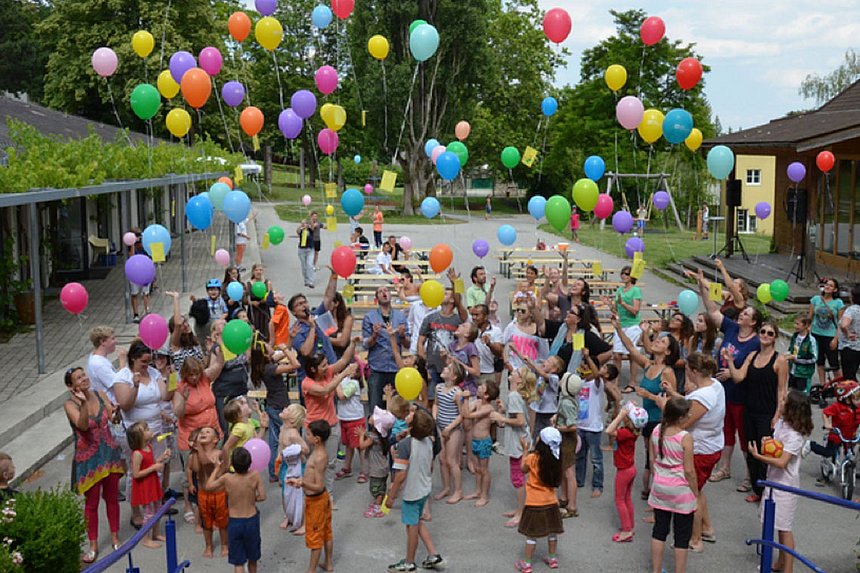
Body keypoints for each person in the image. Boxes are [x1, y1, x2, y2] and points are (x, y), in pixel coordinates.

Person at [694, 268, 761, 492]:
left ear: (752, 322)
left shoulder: (756, 343)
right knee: (726, 432)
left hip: (742, 395)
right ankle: (725, 467)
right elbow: (712, 310)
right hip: (723, 392)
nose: (740, 315)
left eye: (745, 315)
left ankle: (751, 476)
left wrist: (732, 372)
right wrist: (702, 286)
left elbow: (755, 369)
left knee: (744, 436)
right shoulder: (732, 329)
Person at [660, 352, 725, 553]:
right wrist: (675, 394)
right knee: (699, 488)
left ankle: (695, 539)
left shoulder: (702, 395)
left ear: (694, 371)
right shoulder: (714, 385)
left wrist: (665, 407)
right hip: (711, 444)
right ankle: (707, 528)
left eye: (687, 370)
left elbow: (685, 421)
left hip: (701, 449)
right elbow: (690, 403)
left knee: (691, 493)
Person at [611, 313, 679, 500]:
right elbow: (631, 348)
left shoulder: (667, 372)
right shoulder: (649, 365)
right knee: (649, 458)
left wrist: (648, 395)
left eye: (662, 342)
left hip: (660, 421)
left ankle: (658, 500)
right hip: (647, 421)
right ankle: (650, 493)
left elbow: (673, 403)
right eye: (658, 339)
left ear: (668, 352)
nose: (657, 341)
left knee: (655, 459)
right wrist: (618, 328)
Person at [748, 391, 813, 573]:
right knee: (776, 524)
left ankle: (788, 568)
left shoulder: (795, 436)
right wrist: (767, 444)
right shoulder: (782, 424)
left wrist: (758, 456)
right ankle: (779, 562)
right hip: (773, 481)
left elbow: (782, 462)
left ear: (792, 409)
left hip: (785, 486)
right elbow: (775, 449)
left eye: (785, 400)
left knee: (785, 528)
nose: (781, 401)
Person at [723, 319, 788, 503]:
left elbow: (782, 391)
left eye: (770, 333)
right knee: (751, 451)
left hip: (766, 413)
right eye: (763, 332)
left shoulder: (779, 360)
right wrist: (729, 361)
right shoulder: (752, 356)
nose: (765, 336)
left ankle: (768, 490)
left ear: (774, 338)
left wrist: (777, 416)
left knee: (765, 452)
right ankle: (757, 489)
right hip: (749, 410)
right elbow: (738, 377)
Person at [64, 367, 124, 563]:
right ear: (71, 386)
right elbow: (81, 425)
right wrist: (82, 404)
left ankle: (115, 537)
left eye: (84, 375)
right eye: (78, 378)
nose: (84, 379)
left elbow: (112, 419)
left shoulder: (99, 394)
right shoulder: (70, 404)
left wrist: (116, 414)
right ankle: (93, 544)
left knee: (112, 498)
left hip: (109, 453)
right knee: (91, 504)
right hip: (89, 460)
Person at [113, 340, 172, 527]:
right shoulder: (123, 376)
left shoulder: (153, 373)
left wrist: (171, 378)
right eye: (143, 362)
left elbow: (165, 396)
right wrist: (136, 386)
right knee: (136, 472)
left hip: (156, 428)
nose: (147, 365)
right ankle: (136, 511)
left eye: (149, 361)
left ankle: (154, 506)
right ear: (133, 359)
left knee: (157, 468)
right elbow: (125, 404)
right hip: (136, 432)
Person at [386, 407, 446, 572]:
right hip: (424, 488)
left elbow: (400, 476)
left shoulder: (405, 445)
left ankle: (409, 562)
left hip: (412, 493)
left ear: (412, 427)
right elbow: (430, 465)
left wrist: (391, 496)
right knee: (417, 522)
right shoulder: (429, 440)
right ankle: (433, 554)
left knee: (411, 526)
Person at [648, 398, 697, 573]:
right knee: (682, 536)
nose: (690, 416)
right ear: (680, 418)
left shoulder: (656, 431)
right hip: (680, 489)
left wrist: (658, 477)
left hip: (661, 485)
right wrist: (695, 492)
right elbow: (689, 470)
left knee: (659, 530)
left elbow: (652, 460)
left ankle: (656, 569)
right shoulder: (685, 437)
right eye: (687, 414)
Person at [302, 347, 358, 497]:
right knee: (311, 462)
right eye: (323, 365)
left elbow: (344, 360)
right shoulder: (307, 383)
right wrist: (344, 374)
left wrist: (352, 343)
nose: (327, 367)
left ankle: (328, 496)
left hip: (332, 425)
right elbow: (325, 391)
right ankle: (311, 493)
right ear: (313, 369)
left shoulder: (327, 372)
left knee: (331, 463)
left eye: (327, 364)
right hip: (314, 428)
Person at [207, 447, 266, 573]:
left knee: (238, 562)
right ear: (250, 462)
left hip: (235, 521)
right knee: (252, 558)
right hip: (251, 519)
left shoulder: (227, 478)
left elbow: (209, 486)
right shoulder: (255, 475)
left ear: (232, 464)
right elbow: (262, 496)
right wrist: (251, 498)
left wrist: (217, 468)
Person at [287, 420, 334, 573]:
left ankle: (311, 570)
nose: (305, 436)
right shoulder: (317, 452)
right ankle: (328, 563)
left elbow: (319, 485)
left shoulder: (319, 457)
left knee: (315, 537)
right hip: (320, 499)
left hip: (317, 501)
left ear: (317, 439)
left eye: (308, 434)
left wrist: (302, 484)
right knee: (326, 532)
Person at [515, 427, 564, 573]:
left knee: (531, 535)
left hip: (534, 503)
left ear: (541, 443)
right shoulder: (556, 458)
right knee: (552, 532)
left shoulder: (533, 458)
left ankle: (527, 563)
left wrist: (525, 450)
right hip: (551, 502)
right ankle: (552, 558)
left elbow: (522, 469)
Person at [493, 366, 535, 528]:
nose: (512, 372)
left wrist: (500, 417)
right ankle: (520, 507)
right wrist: (504, 410)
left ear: (519, 380)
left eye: (516, 372)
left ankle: (521, 512)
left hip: (519, 443)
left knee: (518, 479)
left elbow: (520, 421)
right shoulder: (515, 397)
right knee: (519, 477)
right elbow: (518, 415)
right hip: (520, 441)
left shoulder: (514, 396)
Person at [250, 344, 299, 482]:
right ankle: (282, 470)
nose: (272, 347)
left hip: (272, 405)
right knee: (283, 440)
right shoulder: (270, 368)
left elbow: (282, 353)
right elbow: (295, 365)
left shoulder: (264, 364)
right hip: (279, 406)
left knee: (274, 441)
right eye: (268, 347)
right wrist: (285, 349)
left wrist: (289, 342)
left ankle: (273, 472)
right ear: (265, 354)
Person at [418, 270, 469, 402]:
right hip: (433, 366)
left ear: (452, 300)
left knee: (451, 399)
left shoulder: (459, 320)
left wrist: (455, 283)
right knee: (431, 398)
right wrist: (424, 360)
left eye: (446, 293)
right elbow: (421, 341)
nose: (441, 295)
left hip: (451, 367)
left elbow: (461, 305)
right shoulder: (430, 318)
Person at [605, 403, 648, 543]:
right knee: (627, 498)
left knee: (619, 499)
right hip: (631, 469)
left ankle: (626, 530)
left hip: (623, 471)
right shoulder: (633, 432)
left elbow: (609, 431)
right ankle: (630, 526)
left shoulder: (625, 433)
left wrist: (620, 415)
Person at [363, 286, 410, 412]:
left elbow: (408, 344)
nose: (384, 293)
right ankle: (374, 430)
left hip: (395, 367)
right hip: (377, 367)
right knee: (375, 407)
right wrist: (375, 335)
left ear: (391, 295)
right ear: (376, 298)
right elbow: (366, 344)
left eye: (387, 291)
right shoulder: (369, 317)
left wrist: (402, 335)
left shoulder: (401, 317)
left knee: (398, 408)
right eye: (380, 291)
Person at [127, 421, 171, 549]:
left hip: (152, 484)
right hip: (145, 487)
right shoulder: (137, 454)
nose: (149, 429)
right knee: (148, 513)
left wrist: (161, 458)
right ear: (139, 437)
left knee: (158, 509)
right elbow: (136, 474)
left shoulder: (149, 447)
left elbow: (150, 463)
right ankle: (145, 538)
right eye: (146, 429)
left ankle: (155, 533)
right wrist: (154, 468)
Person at [806, 380, 859, 484]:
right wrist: (827, 424)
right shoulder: (837, 407)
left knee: (850, 454)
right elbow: (826, 413)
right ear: (847, 399)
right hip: (837, 434)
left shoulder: (858, 408)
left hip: (850, 436)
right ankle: (811, 445)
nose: (859, 401)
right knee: (829, 452)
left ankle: (848, 469)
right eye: (857, 399)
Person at [455, 381, 498, 507]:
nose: (478, 387)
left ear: (486, 395)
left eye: (482, 387)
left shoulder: (488, 408)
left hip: (484, 441)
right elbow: (465, 412)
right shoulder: (478, 403)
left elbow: (467, 415)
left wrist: (466, 399)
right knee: (477, 468)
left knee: (484, 470)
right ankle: (478, 491)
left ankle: (485, 495)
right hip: (474, 440)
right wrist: (463, 400)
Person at [190, 426, 229, 558]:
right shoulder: (196, 454)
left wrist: (199, 447)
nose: (203, 433)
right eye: (201, 432)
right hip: (203, 493)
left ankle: (224, 544)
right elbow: (196, 467)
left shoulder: (219, 453)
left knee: (222, 521)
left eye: (207, 432)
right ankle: (208, 545)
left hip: (219, 493)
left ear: (215, 439)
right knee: (206, 522)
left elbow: (206, 463)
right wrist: (195, 450)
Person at [607, 265, 643, 393]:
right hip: (620, 325)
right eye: (622, 273)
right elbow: (617, 310)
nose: (624, 276)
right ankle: (615, 382)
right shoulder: (619, 290)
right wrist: (611, 306)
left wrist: (623, 304)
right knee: (617, 355)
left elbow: (635, 310)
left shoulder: (636, 290)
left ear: (632, 276)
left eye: (627, 274)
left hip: (632, 325)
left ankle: (632, 383)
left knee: (632, 355)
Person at [436, 362, 468, 505]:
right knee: (442, 459)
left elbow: (462, 415)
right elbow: (436, 404)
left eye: (448, 368)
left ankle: (459, 490)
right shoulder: (438, 387)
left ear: (454, 376)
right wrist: (435, 416)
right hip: (440, 426)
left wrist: (450, 427)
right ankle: (446, 487)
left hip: (453, 430)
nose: (444, 368)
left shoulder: (457, 393)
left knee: (451, 460)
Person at [357, 407, 395, 518]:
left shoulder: (372, 437)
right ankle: (379, 502)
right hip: (383, 466)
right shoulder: (382, 436)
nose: (372, 417)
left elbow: (362, 446)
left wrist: (361, 436)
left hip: (376, 469)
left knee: (375, 489)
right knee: (381, 485)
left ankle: (378, 505)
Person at [555, 373, 582, 517]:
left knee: (569, 472)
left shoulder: (566, 403)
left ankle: (572, 506)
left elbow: (572, 425)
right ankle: (564, 498)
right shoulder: (567, 399)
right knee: (564, 469)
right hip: (565, 439)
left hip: (567, 439)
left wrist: (558, 428)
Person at [278, 404, 308, 533]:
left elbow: (305, 449)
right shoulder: (283, 428)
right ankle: (288, 515)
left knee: (297, 494)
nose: (284, 409)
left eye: (288, 409)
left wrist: (292, 451)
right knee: (285, 493)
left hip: (295, 467)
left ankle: (301, 520)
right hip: (285, 465)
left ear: (291, 419)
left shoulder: (293, 434)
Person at [808, 278, 844, 385]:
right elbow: (810, 316)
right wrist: (807, 330)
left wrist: (836, 339)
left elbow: (840, 323)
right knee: (819, 361)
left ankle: (842, 385)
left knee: (834, 363)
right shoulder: (815, 299)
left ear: (835, 289)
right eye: (827, 284)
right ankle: (823, 385)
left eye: (831, 286)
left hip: (830, 336)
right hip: (816, 334)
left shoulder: (838, 303)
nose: (827, 287)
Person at [334, 373, 365, 481]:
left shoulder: (354, 383)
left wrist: (335, 381)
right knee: (348, 445)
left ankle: (364, 471)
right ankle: (347, 468)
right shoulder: (344, 379)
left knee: (360, 446)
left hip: (355, 419)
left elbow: (342, 395)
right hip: (344, 418)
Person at [166, 290, 205, 373]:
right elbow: (178, 324)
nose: (186, 325)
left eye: (186, 322)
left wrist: (210, 352)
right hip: (184, 384)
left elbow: (203, 365)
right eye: (183, 324)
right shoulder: (175, 345)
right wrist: (176, 298)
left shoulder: (194, 340)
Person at [86, 326, 128, 402]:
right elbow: (119, 385)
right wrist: (122, 362)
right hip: (112, 405)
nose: (115, 341)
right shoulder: (99, 364)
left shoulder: (95, 357)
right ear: (102, 342)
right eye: (112, 339)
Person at [787, 316, 817, 393]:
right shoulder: (795, 336)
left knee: (801, 397)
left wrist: (797, 359)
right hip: (792, 372)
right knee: (790, 394)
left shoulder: (811, 340)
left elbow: (813, 358)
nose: (795, 326)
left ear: (805, 325)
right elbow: (791, 349)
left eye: (797, 324)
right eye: (794, 323)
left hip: (803, 374)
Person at [127, 228, 151, 323]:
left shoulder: (145, 245)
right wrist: (132, 244)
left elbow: (150, 256)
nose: (138, 238)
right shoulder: (130, 246)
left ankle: (147, 311)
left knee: (146, 293)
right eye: (136, 235)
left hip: (145, 271)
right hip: (134, 272)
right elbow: (131, 257)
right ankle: (136, 314)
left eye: (139, 235)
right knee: (134, 293)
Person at [838, 284, 860, 381]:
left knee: (849, 376)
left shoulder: (852, 309)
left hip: (849, 346)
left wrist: (847, 333)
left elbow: (844, 324)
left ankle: (853, 395)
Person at [297, 219, 316, 288]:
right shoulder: (301, 230)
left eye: (305, 224)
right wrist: (301, 226)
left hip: (310, 250)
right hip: (301, 250)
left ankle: (311, 281)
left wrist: (310, 222)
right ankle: (306, 280)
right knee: (304, 266)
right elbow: (297, 231)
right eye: (303, 224)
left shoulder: (310, 230)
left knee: (310, 265)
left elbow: (313, 227)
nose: (305, 225)